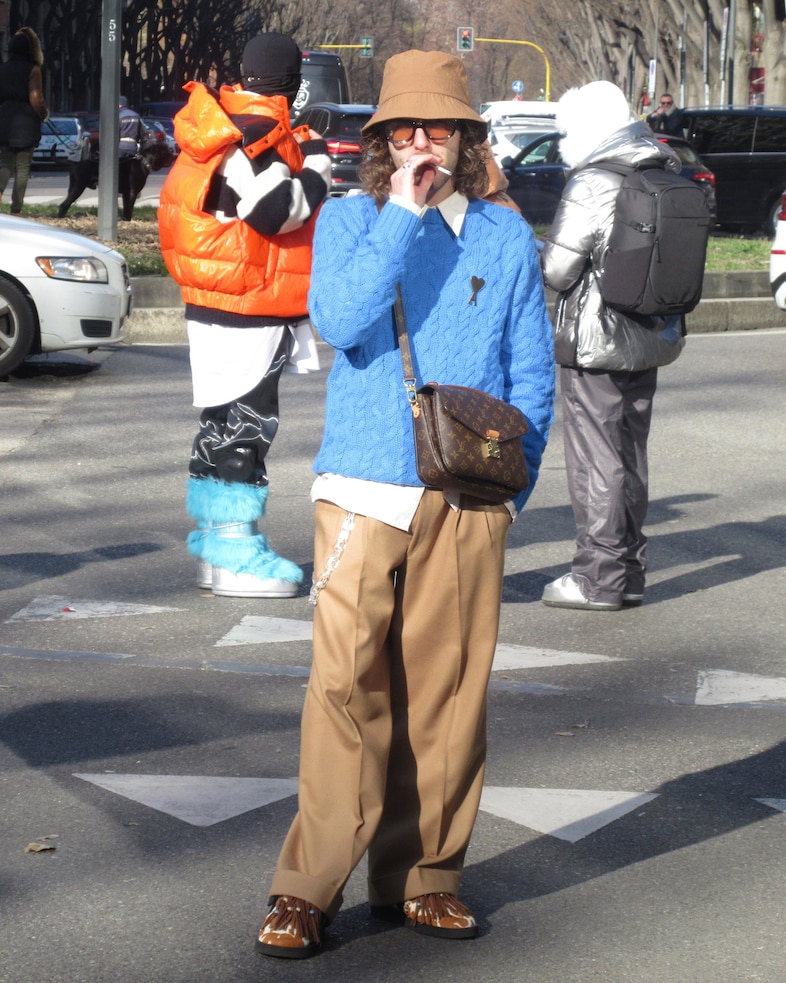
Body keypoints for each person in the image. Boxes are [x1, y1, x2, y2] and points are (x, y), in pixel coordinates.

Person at [255, 49, 555, 959]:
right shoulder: (353, 221)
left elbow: (532, 374)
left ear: (468, 140)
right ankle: (306, 886)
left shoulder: (504, 238)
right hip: (360, 489)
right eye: (404, 129)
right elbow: (341, 322)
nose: (423, 142)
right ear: (382, 143)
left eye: (440, 128)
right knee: (345, 685)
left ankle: (425, 875)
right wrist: (400, 215)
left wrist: (512, 487)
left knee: (449, 695)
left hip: (467, 500)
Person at [157, 33, 331, 598]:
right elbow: (272, 212)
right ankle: (234, 549)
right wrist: (319, 171)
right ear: (293, 79)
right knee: (247, 426)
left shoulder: (221, 126)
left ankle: (217, 543)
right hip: (250, 303)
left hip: (216, 297)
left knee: (222, 420)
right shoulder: (260, 136)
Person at [539, 81, 686, 612]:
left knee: (595, 459)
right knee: (628, 454)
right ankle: (629, 572)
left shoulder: (595, 180)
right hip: (648, 334)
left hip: (596, 342)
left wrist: (530, 247)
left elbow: (558, 269)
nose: (561, 143)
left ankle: (597, 576)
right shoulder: (660, 168)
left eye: (565, 132)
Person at [0, 27, 47, 215]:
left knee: (6, 164)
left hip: (5, 120)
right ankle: (16, 209)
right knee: (22, 168)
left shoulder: (3, 69)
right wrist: (43, 114)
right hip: (26, 121)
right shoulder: (33, 69)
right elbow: (36, 97)